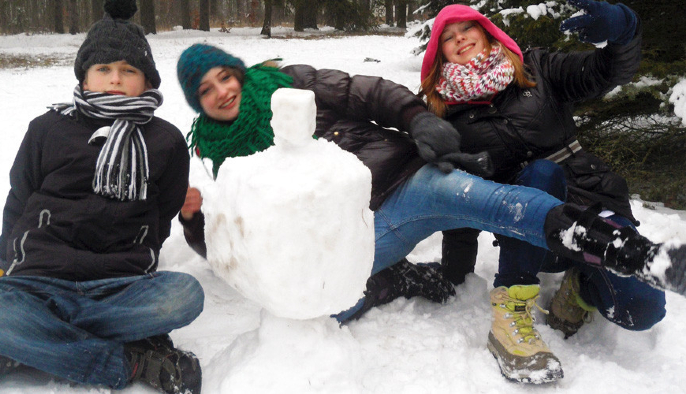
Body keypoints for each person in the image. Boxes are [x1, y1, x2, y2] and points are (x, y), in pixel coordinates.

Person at [175, 42, 686, 383]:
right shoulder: (226, 158)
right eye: (206, 89)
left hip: (409, 179)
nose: (223, 91)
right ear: (197, 104)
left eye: (225, 75)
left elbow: (366, 91)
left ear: (238, 70)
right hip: (366, 233)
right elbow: (243, 242)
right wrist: (197, 225)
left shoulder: (289, 81)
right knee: (315, 312)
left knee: (495, 202)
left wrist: (417, 120)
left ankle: (633, 252)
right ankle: (392, 281)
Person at [419, 0, 669, 383]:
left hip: (591, 203)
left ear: (486, 33)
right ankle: (510, 314)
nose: (460, 39)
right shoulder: (443, 116)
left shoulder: (538, 68)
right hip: (533, 236)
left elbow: (609, 70)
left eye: (467, 29)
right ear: (439, 54)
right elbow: (459, 194)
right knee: (540, 174)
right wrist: (457, 273)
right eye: (448, 38)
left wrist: (624, 27)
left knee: (641, 309)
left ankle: (581, 290)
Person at [0, 1, 204, 393]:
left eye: (129, 70)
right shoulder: (47, 129)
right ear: (85, 76)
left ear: (147, 81)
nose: (115, 79)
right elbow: (19, 197)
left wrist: (139, 258)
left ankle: (30, 344)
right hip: (39, 281)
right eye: (103, 69)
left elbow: (161, 217)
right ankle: (134, 359)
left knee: (185, 296)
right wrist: (2, 262)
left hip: (120, 286)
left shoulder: (165, 141)